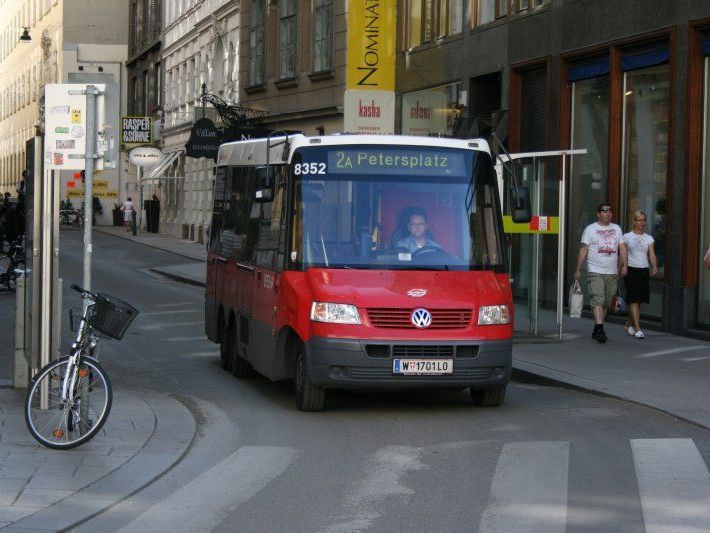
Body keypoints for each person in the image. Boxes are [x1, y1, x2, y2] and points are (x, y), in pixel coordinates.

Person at [573, 203, 628, 343]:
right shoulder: (590, 229)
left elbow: (622, 248)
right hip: (595, 270)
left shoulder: (616, 228)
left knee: (607, 301)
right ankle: (600, 328)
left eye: (610, 211)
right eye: (604, 211)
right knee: (598, 297)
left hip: (612, 271)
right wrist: (578, 269)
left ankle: (598, 327)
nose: (608, 213)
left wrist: (624, 265)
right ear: (598, 214)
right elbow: (583, 250)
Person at [622, 211, 657, 339]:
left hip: (643, 270)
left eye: (643, 220)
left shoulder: (649, 238)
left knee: (638, 301)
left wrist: (654, 265)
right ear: (634, 222)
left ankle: (628, 324)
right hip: (631, 270)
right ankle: (638, 329)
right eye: (639, 220)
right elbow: (623, 254)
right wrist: (623, 267)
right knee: (634, 299)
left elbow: (651, 254)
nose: (641, 223)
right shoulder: (627, 236)